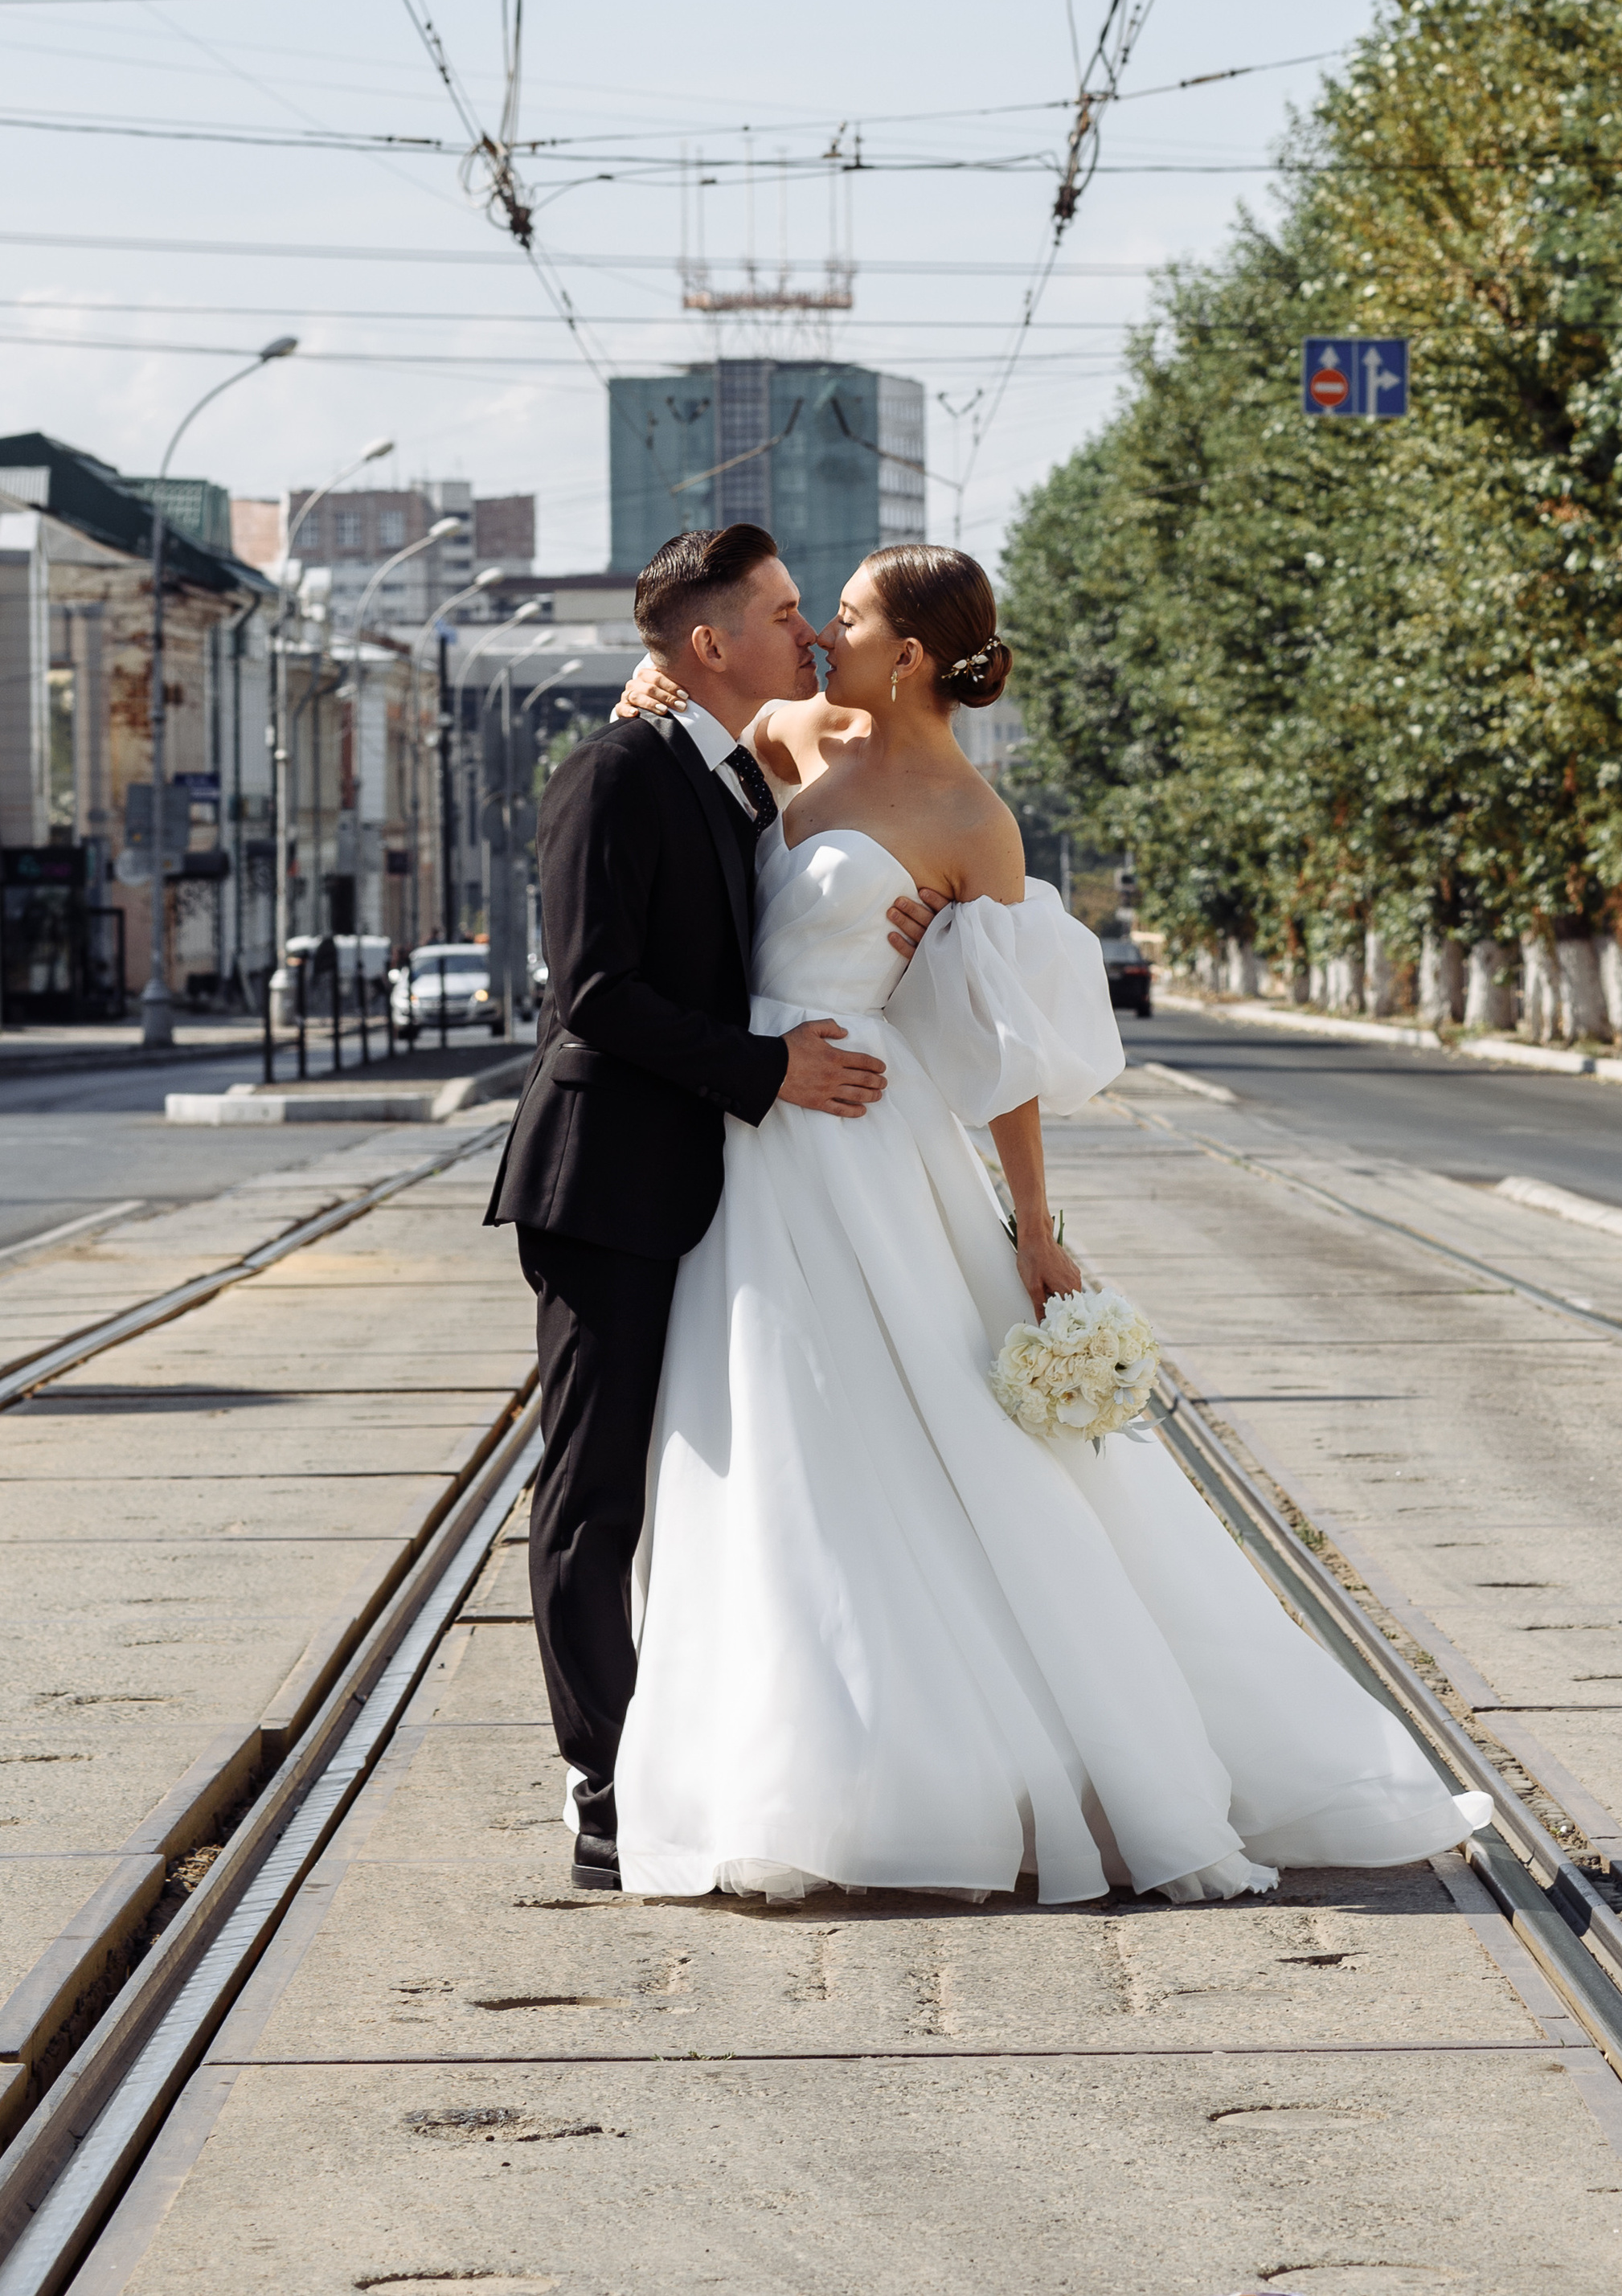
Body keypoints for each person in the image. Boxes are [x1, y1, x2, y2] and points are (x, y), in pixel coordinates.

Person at [600, 539, 1490, 1904]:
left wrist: (1031, 1228)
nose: (820, 634)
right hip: (745, 1129)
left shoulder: (972, 820)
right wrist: (640, 692)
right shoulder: (792, 734)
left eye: (842, 618)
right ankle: (787, 1756)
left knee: (899, 1441)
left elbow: (1005, 1052)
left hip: (861, 1141)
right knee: (764, 1445)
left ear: (909, 654)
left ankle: (945, 1774)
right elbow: (684, 710)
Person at [484, 526, 915, 1891]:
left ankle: (688, 1752)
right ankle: (601, 1777)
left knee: (695, 1489)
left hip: (701, 1190)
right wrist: (768, 1069)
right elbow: (594, 993)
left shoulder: (723, 773)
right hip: (606, 1184)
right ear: (713, 644)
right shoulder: (617, 772)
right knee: (594, 1493)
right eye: (786, 614)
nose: (806, 635)